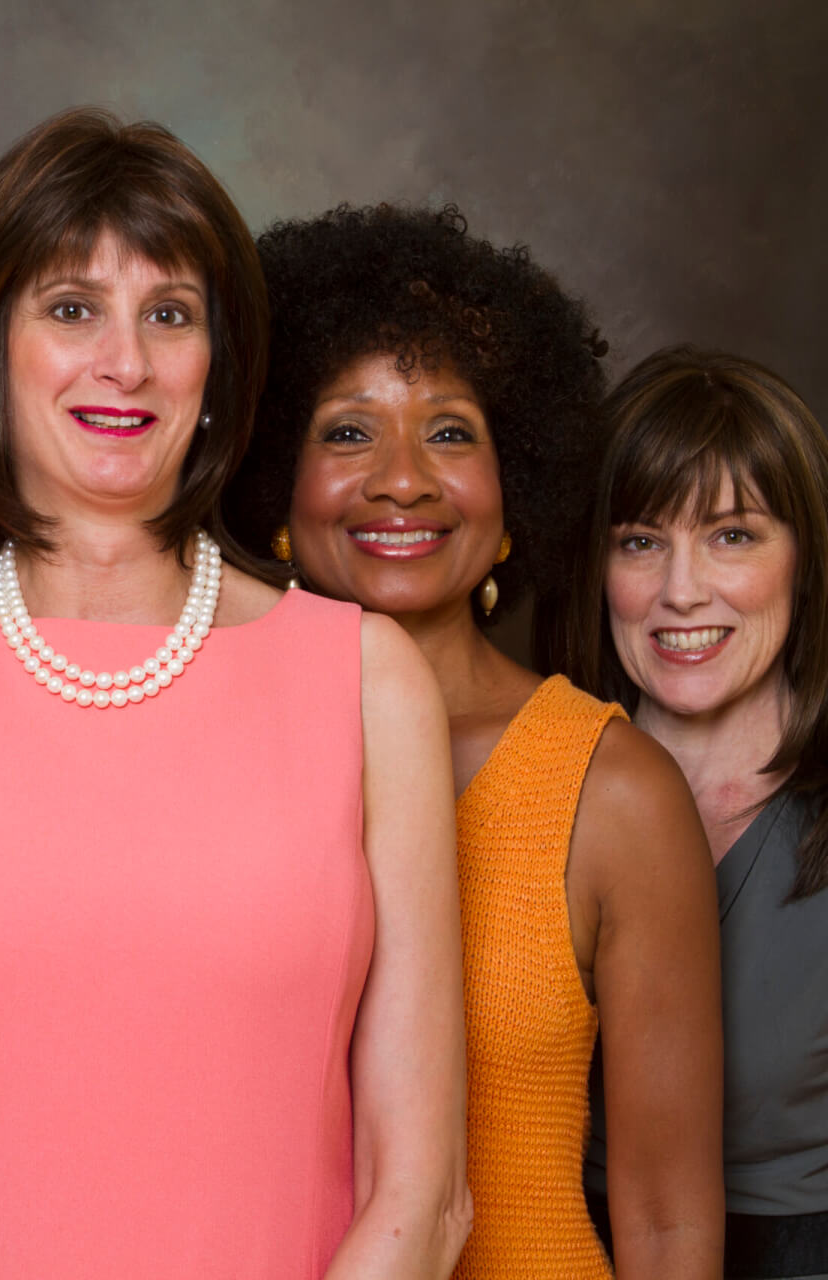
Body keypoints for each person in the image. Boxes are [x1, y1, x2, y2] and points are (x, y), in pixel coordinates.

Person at [0, 109, 470, 1279]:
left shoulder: (364, 677)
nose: (126, 361)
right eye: (72, 306)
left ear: (219, 365)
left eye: (171, 313)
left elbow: (425, 1189)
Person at [227, 204, 725, 1277]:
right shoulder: (196, 745)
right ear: (275, 488)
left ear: (513, 502)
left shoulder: (614, 791)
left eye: (450, 430)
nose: (402, 476)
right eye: (348, 429)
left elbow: (670, 1214)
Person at [559, 346, 828, 1280]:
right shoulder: (536, 783)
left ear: (807, 557)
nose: (681, 590)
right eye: (640, 540)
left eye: (733, 535)